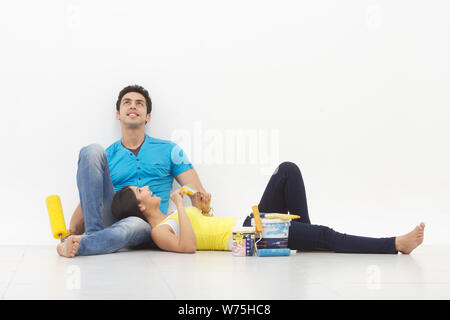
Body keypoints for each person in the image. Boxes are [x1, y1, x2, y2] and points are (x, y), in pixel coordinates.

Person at [59, 162, 425, 257]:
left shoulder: (173, 215)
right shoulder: (159, 230)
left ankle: (305, 237)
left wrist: (200, 204)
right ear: (140, 205)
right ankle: (394, 243)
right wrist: (182, 206)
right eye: (142, 190)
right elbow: (187, 248)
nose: (148, 189)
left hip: (249, 221)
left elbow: (204, 221)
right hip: (252, 237)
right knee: (328, 236)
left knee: (287, 170)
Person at [57, 85, 210, 258]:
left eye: (139, 103)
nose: (133, 106)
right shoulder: (108, 155)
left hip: (155, 226)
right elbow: (90, 196)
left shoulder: (171, 150)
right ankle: (93, 236)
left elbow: (197, 194)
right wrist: (71, 232)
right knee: (91, 151)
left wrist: (204, 209)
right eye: (127, 102)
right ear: (118, 114)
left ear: (148, 116)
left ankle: (86, 245)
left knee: (134, 224)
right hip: (114, 222)